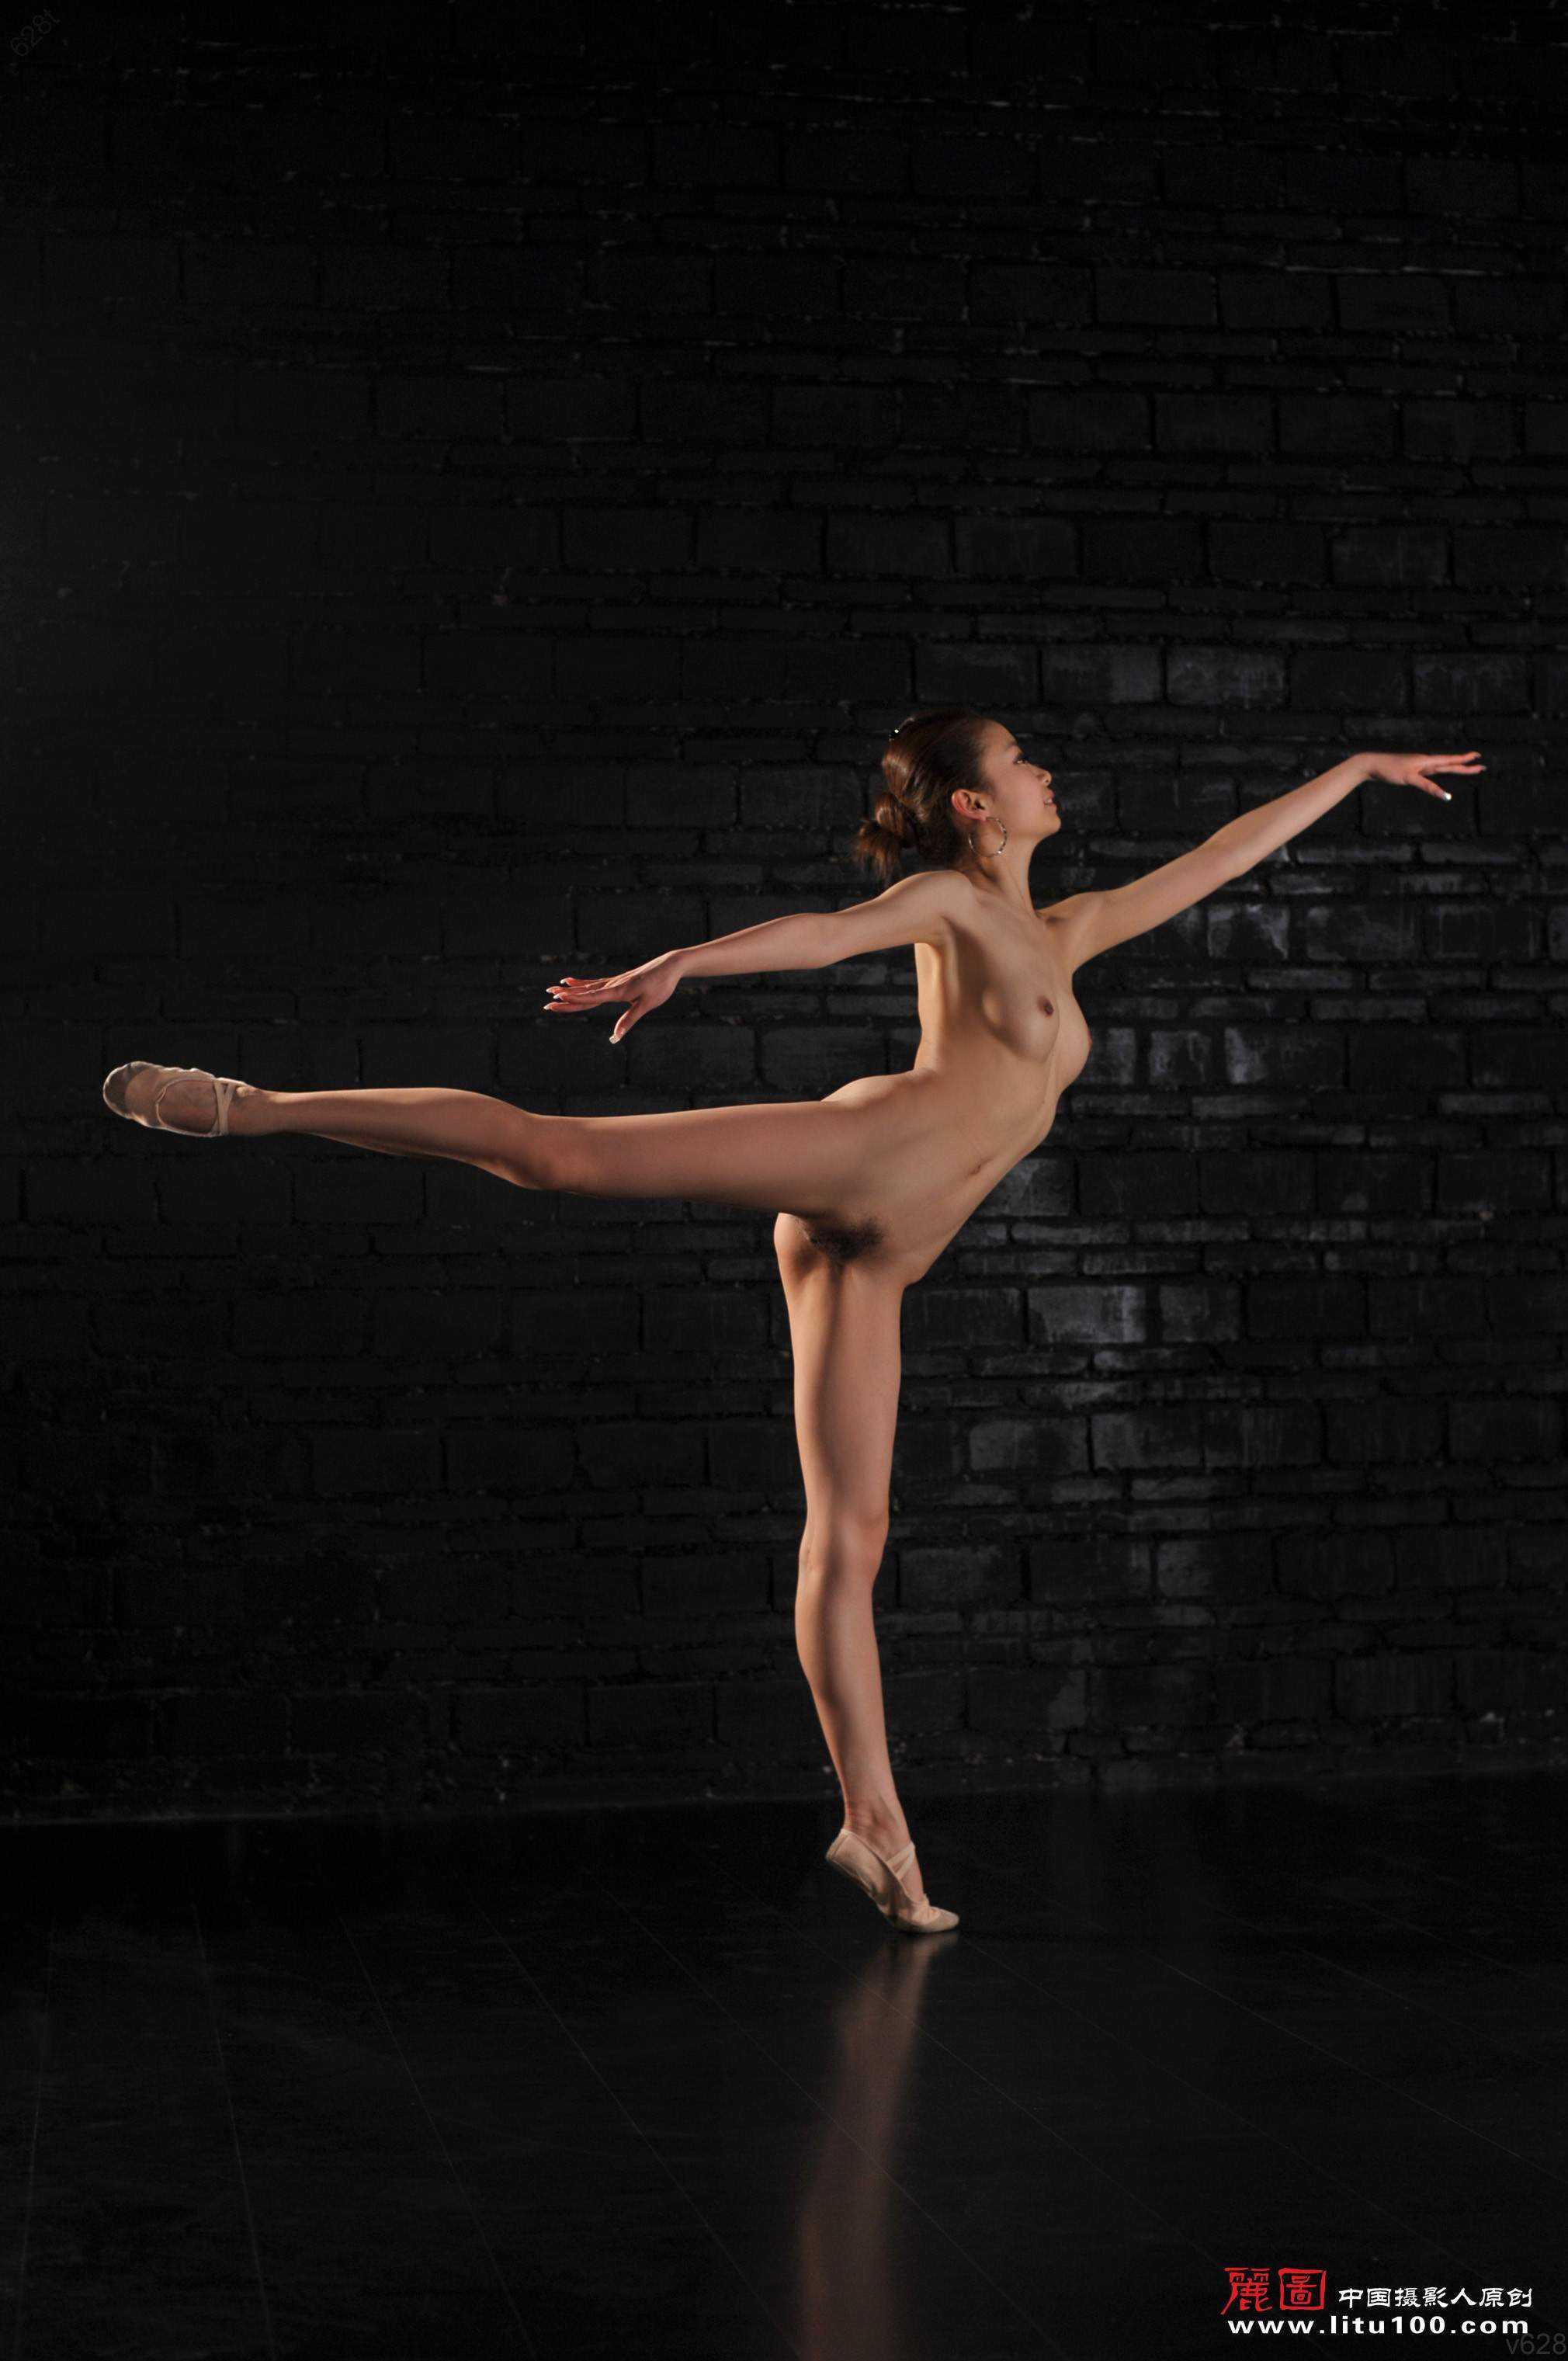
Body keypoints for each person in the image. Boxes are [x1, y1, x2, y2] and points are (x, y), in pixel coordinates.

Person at [101, 713, 1483, 1933]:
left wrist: (1357, 769)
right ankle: (256, 1108)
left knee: (851, 1537)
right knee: (556, 1152)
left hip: (889, 1256)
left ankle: (875, 1825)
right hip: (860, 1163)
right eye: (1022, 761)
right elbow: (826, 934)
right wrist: (685, 964)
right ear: (974, 804)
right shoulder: (951, 901)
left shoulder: (1068, 930)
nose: (1047, 771)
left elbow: (1226, 855)